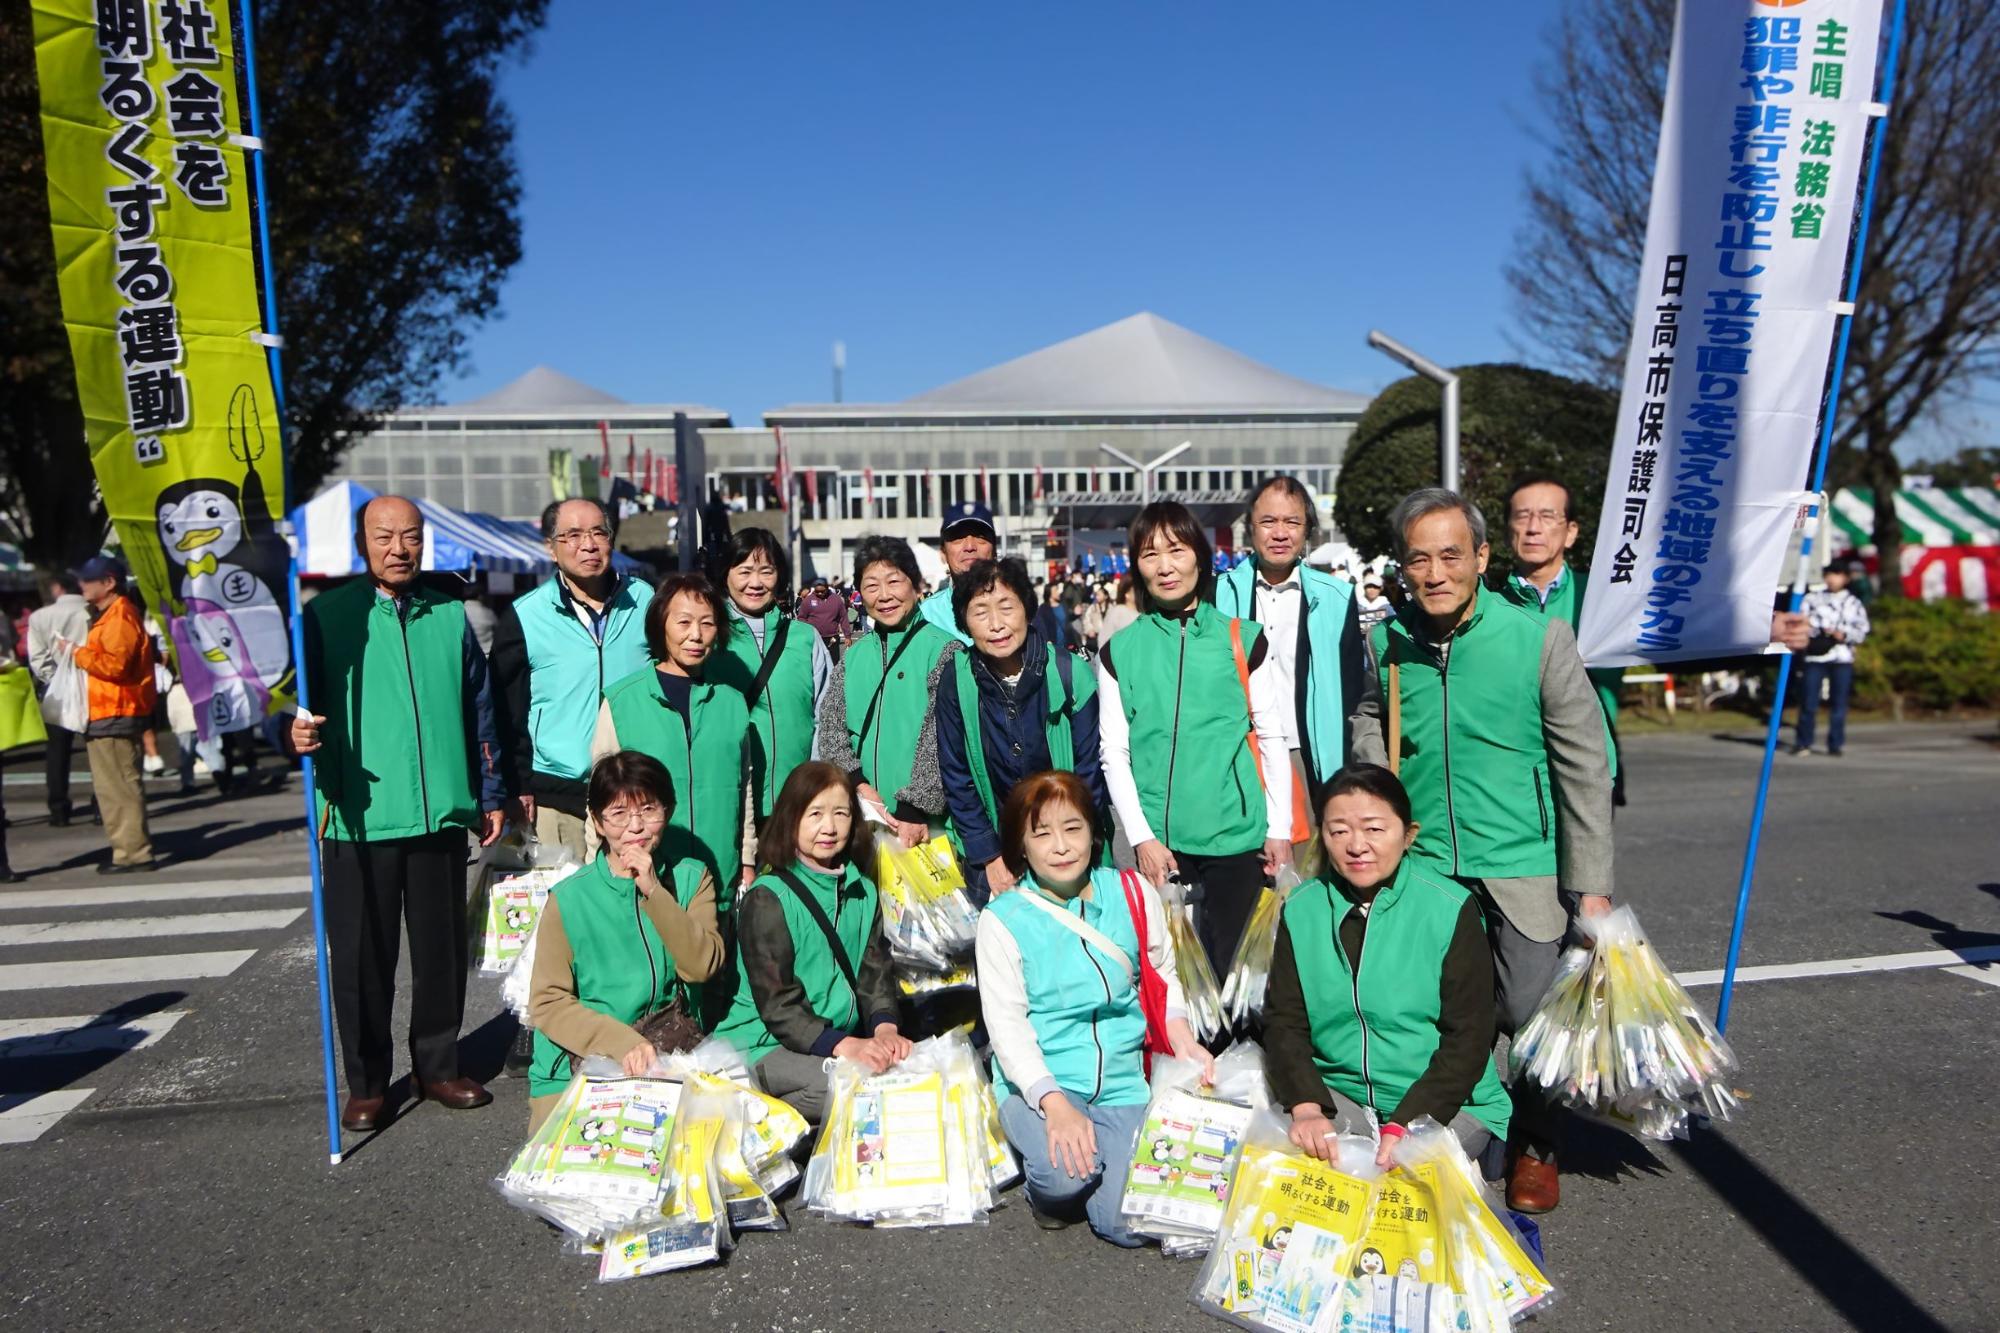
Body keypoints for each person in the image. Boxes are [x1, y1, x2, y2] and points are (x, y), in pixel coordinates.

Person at [1349, 488, 1612, 1215]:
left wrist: (1591, 886)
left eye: (1451, 555)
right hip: (1428, 862)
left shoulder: (1539, 640)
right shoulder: (1387, 643)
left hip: (1524, 859)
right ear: (1401, 567)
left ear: (1482, 557)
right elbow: (1369, 712)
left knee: (1530, 1009)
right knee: (1436, 1011)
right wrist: (1377, 775)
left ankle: (1537, 1141)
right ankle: (1448, 1131)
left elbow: (1584, 765)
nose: (1435, 573)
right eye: (1418, 559)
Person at [287, 496, 507, 1132]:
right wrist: (292, 733)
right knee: (362, 959)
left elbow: (480, 708)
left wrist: (490, 791)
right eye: (384, 536)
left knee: (440, 954)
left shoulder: (449, 613)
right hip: (358, 814)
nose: (399, 548)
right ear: (362, 543)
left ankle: (437, 1066)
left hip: (441, 811)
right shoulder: (326, 617)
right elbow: (295, 705)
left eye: (410, 536)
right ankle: (366, 1082)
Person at [977, 771, 1212, 1243]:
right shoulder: (1002, 920)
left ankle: (1096, 1167)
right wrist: (1054, 1103)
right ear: (1021, 845)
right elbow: (1007, 1027)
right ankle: (1046, 1191)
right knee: (1065, 1177)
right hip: (1044, 1081)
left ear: (1093, 832)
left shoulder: (1132, 892)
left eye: (1073, 828)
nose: (1061, 846)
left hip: (1125, 1082)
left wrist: (1182, 1033)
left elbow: (1161, 971)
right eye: (1042, 834)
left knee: (1129, 1226)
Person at [1264, 764, 1510, 1173]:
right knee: (1293, 1176)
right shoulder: (1302, 908)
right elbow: (1284, 1020)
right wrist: (1306, 1106)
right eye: (1339, 831)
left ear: (1408, 835)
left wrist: (1409, 1121)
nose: (1356, 845)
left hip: (1446, 1103)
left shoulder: (1450, 908)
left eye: (1374, 829)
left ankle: (1488, 1151)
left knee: (1405, 1190)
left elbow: (1469, 1036)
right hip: (1340, 1095)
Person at [1097, 502, 1293, 979]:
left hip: (1237, 838)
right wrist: (1142, 838)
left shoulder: (1243, 640)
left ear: (1201, 559)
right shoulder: (1119, 651)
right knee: (1172, 977)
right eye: (1150, 554)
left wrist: (1279, 827)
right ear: (1136, 567)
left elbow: (1272, 737)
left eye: (1177, 550)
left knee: (1237, 974)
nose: (1165, 566)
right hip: (1162, 845)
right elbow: (1114, 754)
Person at [526, 751, 726, 1133]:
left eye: (648, 810)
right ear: (597, 821)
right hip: (580, 1060)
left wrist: (654, 891)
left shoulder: (691, 878)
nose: (635, 827)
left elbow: (701, 966)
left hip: (670, 1050)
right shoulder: (569, 899)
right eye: (618, 814)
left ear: (668, 811)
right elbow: (548, 1002)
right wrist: (621, 1043)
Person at [711, 762, 908, 1120]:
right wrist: (847, 1046)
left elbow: (875, 972)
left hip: (832, 1039)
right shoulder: (768, 898)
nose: (829, 827)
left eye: (841, 813)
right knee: (848, 1091)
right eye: (815, 814)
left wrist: (885, 1030)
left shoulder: (862, 890)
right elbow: (779, 1006)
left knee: (901, 1076)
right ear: (791, 819)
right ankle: (759, 1117)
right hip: (763, 1042)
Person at [935, 558, 1109, 903]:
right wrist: (988, 854)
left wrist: (1067, 844)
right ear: (964, 622)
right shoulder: (956, 678)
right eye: (980, 612)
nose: (996, 624)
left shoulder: (1070, 673)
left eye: (1006, 607)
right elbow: (955, 772)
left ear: (1027, 610)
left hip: (1067, 849)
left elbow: (1089, 772)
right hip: (996, 855)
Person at [492, 498, 654, 861]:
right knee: (565, 895)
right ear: (551, 548)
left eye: (599, 533)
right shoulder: (525, 615)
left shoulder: (646, 600)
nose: (589, 545)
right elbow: (506, 712)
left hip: (635, 791)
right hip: (557, 796)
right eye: (573, 535)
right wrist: (515, 786)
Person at [1213, 476, 1368, 848]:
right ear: (1251, 528)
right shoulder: (1218, 593)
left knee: (1304, 867)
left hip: (1307, 756)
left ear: (1307, 529)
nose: (1280, 533)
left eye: (1292, 522)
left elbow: (1352, 693)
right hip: (1238, 755)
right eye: (1268, 522)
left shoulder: (1336, 598)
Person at [591, 573, 754, 906]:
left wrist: (747, 857)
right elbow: (597, 796)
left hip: (718, 879)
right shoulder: (622, 702)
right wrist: (597, 870)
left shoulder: (732, 703)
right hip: (641, 881)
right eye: (683, 622)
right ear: (660, 625)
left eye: (707, 623)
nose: (696, 635)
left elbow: (745, 787)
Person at [815, 537, 956, 848]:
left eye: (894, 581)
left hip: (926, 828)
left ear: (916, 585)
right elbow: (831, 729)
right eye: (871, 586)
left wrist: (915, 808)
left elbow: (944, 737)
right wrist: (857, 783)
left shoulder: (945, 649)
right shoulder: (853, 656)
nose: (884, 596)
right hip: (861, 821)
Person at [1498, 473, 1626, 803]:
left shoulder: (1602, 597)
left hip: (1588, 770)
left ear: (1571, 532)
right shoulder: (1487, 602)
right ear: (1508, 530)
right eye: (1522, 516)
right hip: (1507, 778)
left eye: (1548, 516)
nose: (1533, 527)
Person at [708, 528, 832, 825]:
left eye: (766, 571)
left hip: (797, 805)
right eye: (744, 571)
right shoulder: (709, 637)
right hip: (730, 804)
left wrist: (813, 784)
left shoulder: (805, 637)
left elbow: (826, 715)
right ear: (726, 575)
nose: (755, 583)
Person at [59, 558, 159, 873]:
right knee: (113, 787)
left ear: (110, 582)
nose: (82, 585)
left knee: (119, 787)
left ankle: (133, 854)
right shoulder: (113, 614)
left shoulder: (119, 616)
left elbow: (115, 666)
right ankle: (128, 850)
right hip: (110, 710)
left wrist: (75, 652)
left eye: (88, 580)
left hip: (115, 710)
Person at [27, 573, 92, 826]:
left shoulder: (40, 617)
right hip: (92, 682)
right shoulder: (92, 612)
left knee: (57, 751)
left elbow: (37, 658)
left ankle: (59, 807)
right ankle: (101, 803)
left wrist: (54, 678)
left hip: (56, 688)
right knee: (96, 747)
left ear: (58, 588)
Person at [1796, 557, 1871, 757]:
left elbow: (1862, 630)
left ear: (1845, 578)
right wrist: (1819, 631)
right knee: (1809, 702)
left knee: (1839, 704)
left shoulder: (1853, 603)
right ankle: (1803, 742)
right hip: (1816, 656)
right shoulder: (1812, 599)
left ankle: (1835, 744)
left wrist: (1843, 635)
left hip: (1842, 657)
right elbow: (1801, 624)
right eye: (1829, 575)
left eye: (1837, 575)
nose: (1832, 579)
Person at [918, 500, 999, 645]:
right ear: (943, 553)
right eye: (958, 538)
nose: (970, 546)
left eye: (980, 537)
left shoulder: (1016, 606)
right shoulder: (926, 614)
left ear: (994, 550)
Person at [795, 573, 853, 649]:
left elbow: (843, 617)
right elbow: (801, 618)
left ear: (827, 588)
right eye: (817, 591)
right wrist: (808, 631)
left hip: (832, 638)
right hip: (814, 638)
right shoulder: (808, 600)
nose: (820, 593)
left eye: (822, 591)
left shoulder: (836, 600)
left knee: (833, 657)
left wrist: (847, 636)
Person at [1095, 575, 1139, 654]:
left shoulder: (1144, 614)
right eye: (1136, 589)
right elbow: (1104, 639)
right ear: (1127, 594)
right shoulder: (1118, 612)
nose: (1140, 592)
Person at [1032, 581, 1071, 654]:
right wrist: (1047, 640)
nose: (1058, 592)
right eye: (1056, 590)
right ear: (1049, 593)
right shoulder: (1043, 609)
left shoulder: (1064, 605)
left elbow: (1069, 623)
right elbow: (1039, 625)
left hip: (1067, 645)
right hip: (1053, 646)